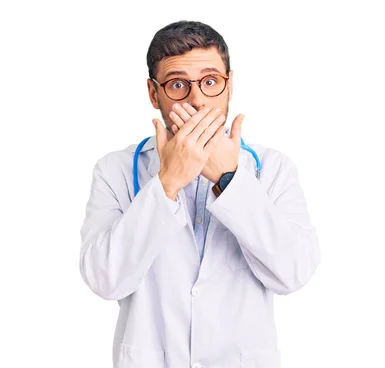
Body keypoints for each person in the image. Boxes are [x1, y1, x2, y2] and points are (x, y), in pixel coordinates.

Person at [79, 20, 320, 368]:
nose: (196, 99)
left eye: (210, 82)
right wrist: (167, 183)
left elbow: (293, 273)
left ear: (229, 85)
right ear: (153, 92)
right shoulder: (114, 170)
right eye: (178, 84)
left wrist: (229, 178)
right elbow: (105, 280)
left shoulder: (272, 169)